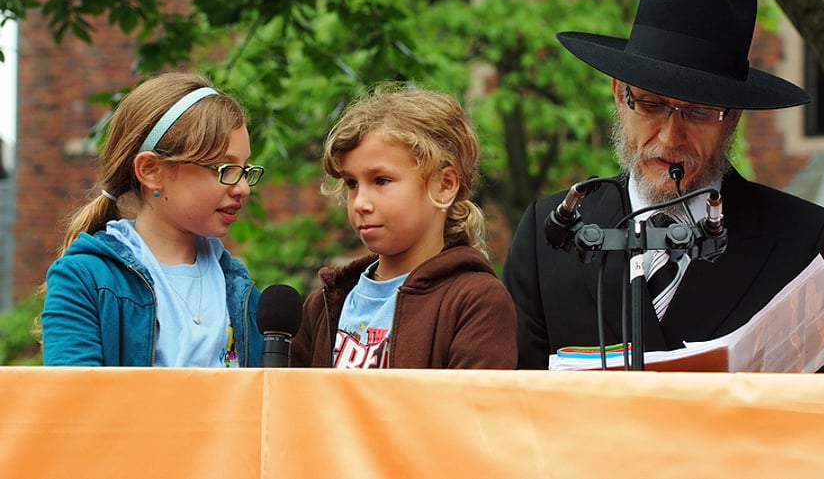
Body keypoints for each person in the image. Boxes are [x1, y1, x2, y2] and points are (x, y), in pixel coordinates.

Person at [502, 0, 824, 372]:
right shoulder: (548, 235)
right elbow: (513, 407)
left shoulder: (804, 243)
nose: (670, 138)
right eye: (652, 105)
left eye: (697, 113)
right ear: (620, 95)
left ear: (732, 117)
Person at [40, 72, 265, 366]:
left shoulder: (243, 292)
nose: (243, 188)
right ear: (151, 171)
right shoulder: (83, 280)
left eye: (246, 169)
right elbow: (75, 403)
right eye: (224, 168)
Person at [290, 84, 517, 369]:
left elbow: (473, 411)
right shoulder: (323, 304)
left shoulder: (476, 301)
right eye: (351, 184)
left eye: (381, 181)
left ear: (444, 185)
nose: (360, 202)